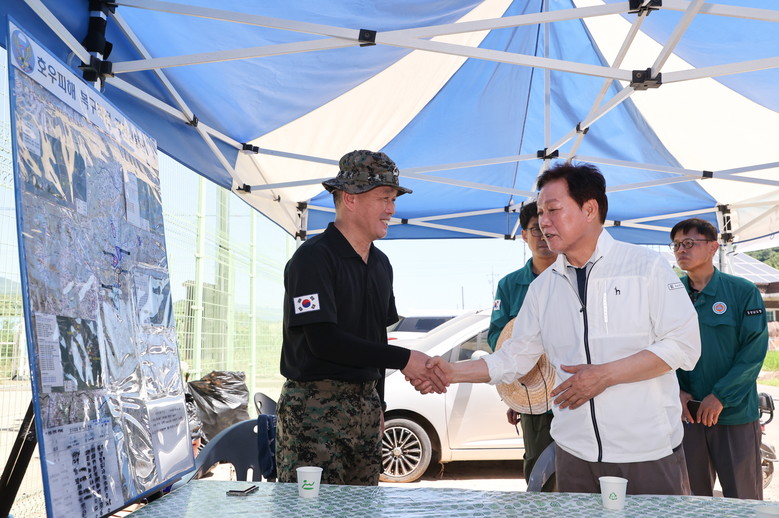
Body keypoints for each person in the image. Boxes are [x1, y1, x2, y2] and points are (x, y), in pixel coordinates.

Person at [415, 162, 701, 495]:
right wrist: (451, 372)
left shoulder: (646, 267)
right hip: (574, 454)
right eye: (540, 213)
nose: (543, 222)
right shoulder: (542, 288)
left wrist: (604, 375)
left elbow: (684, 346)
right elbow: (514, 358)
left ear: (589, 209)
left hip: (647, 453)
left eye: (553, 210)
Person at [275, 150, 446, 486]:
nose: (392, 209)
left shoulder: (381, 264)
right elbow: (323, 341)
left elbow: (376, 338)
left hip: (366, 412)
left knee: (362, 506)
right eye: (384, 198)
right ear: (350, 199)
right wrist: (405, 359)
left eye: (393, 199)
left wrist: (378, 402)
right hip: (314, 414)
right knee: (312, 508)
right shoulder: (313, 258)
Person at [671, 217, 768, 499]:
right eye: (676, 245)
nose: (681, 250)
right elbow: (659, 346)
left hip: (733, 414)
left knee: (743, 499)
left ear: (713, 247)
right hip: (688, 414)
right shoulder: (670, 293)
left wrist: (721, 396)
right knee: (693, 499)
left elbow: (753, 351)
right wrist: (676, 391)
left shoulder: (742, 291)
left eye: (689, 243)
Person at [487, 201, 557, 488]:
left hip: (576, 391)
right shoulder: (510, 285)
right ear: (524, 236)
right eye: (535, 230)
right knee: (540, 469)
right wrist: (514, 388)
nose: (543, 236)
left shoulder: (577, 276)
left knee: (580, 470)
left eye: (547, 228)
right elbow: (497, 338)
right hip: (534, 397)